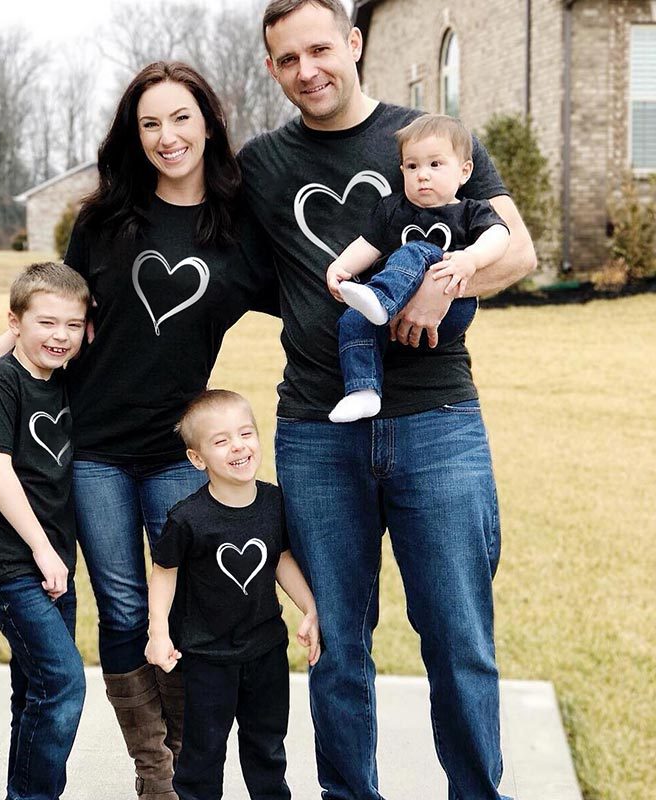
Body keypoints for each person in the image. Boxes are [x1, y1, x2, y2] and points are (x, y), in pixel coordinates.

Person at [238, 1, 537, 799]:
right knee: (337, 645)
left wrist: (447, 283)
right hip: (315, 430)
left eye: (320, 49)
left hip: (437, 422)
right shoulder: (262, 164)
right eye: (288, 59)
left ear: (354, 43)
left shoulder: (431, 136)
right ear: (272, 68)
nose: (308, 70)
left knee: (458, 639)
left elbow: (521, 246)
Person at [0, 62, 278, 800]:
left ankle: (189, 761)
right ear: (135, 136)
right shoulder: (107, 219)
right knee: (126, 607)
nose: (167, 137)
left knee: (183, 605)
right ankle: (153, 771)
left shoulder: (237, 233)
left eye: (181, 119)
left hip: (175, 454)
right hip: (94, 451)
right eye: (150, 123)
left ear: (209, 124)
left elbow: (312, 299)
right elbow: (53, 304)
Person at [145, 389, 320, 800]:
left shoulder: (274, 501)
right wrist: (158, 633)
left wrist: (310, 607)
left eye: (246, 433)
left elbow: (279, 559)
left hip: (265, 650)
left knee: (267, 745)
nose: (238, 446)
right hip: (207, 657)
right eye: (221, 441)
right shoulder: (187, 518)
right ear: (198, 458)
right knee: (203, 753)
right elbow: (163, 573)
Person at [0, 262, 89, 800]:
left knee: (33, 691)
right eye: (46, 323)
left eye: (73, 325)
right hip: (11, 565)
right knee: (63, 683)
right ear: (14, 323)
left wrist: (54, 557)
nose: (60, 336)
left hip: (53, 565)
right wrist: (43, 550)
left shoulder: (62, 381)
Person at [326, 114, 510, 423]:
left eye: (435, 165)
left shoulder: (469, 210)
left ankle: (380, 300)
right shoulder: (393, 209)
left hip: (450, 310)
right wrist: (340, 267)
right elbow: (367, 244)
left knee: (418, 250)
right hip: (392, 321)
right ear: (402, 171)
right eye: (412, 166)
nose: (422, 175)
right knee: (352, 320)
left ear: (464, 172)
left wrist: (471, 259)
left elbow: (500, 235)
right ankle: (363, 392)